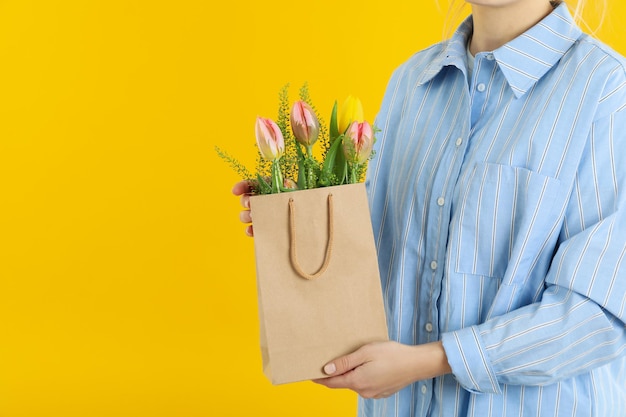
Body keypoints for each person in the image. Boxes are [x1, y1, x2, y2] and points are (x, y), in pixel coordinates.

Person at [233, 0, 626, 415]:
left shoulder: (606, 91)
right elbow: (380, 251)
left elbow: (596, 319)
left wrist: (428, 362)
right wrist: (303, 216)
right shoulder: (411, 83)